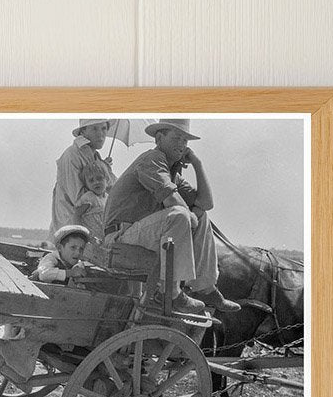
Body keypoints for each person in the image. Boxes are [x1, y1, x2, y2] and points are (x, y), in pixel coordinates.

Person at [102, 119, 240, 314]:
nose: (182, 144)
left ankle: (206, 288)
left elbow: (206, 204)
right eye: (177, 137)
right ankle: (171, 292)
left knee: (201, 216)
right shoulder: (152, 160)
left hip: (138, 236)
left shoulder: (171, 172)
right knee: (180, 214)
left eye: (185, 140)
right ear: (159, 138)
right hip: (120, 237)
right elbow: (173, 203)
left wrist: (197, 164)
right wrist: (191, 217)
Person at [48, 119, 117, 240]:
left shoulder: (94, 155)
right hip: (71, 232)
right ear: (83, 131)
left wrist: (105, 169)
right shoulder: (73, 155)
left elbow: (113, 189)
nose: (101, 134)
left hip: (90, 231)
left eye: (104, 128)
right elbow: (80, 199)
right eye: (95, 128)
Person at [76, 161, 110, 242]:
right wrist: (81, 233)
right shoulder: (89, 197)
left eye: (99, 178)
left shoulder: (107, 198)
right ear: (86, 184)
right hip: (90, 237)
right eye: (91, 180)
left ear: (107, 180)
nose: (96, 182)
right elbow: (77, 215)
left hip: (103, 236)